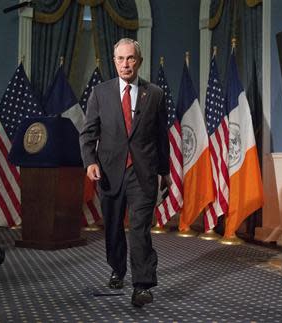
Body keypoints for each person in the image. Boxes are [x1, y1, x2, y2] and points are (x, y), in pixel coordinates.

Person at [80, 38, 171, 308]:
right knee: (113, 227)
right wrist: (90, 162)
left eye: (130, 58)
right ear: (114, 62)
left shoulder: (154, 93)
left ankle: (142, 284)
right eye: (120, 59)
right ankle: (117, 268)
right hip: (109, 171)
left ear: (139, 61)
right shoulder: (100, 93)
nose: (125, 64)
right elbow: (88, 134)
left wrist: (165, 172)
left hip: (143, 172)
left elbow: (161, 137)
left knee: (140, 228)